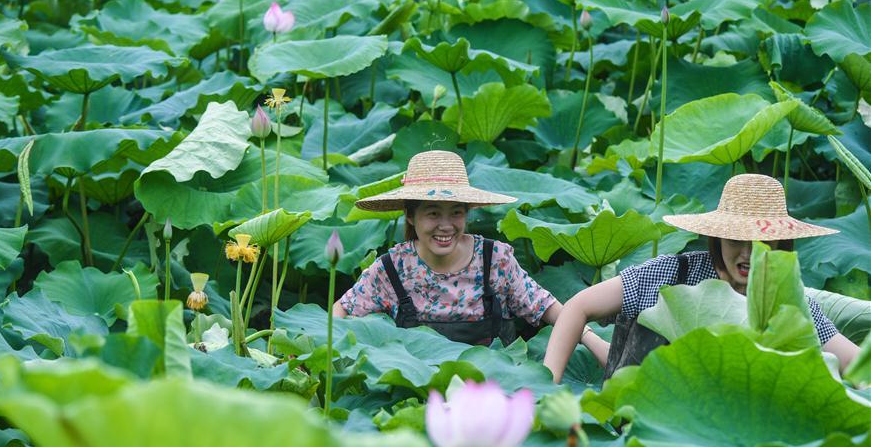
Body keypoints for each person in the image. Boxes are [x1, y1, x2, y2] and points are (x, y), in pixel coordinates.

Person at [543, 173, 860, 382]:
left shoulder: (791, 301)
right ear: (717, 237)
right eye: (737, 240)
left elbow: (858, 365)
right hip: (636, 440)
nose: (748, 254)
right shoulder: (672, 273)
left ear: (780, 243)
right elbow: (578, 306)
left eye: (760, 242)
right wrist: (548, 383)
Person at [332, 150, 573, 347]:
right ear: (410, 216)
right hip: (417, 394)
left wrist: (594, 341)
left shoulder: (495, 260)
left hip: (491, 390)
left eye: (456, 212)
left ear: (467, 213)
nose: (446, 226)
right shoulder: (392, 268)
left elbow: (545, 306)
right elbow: (342, 311)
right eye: (433, 213)